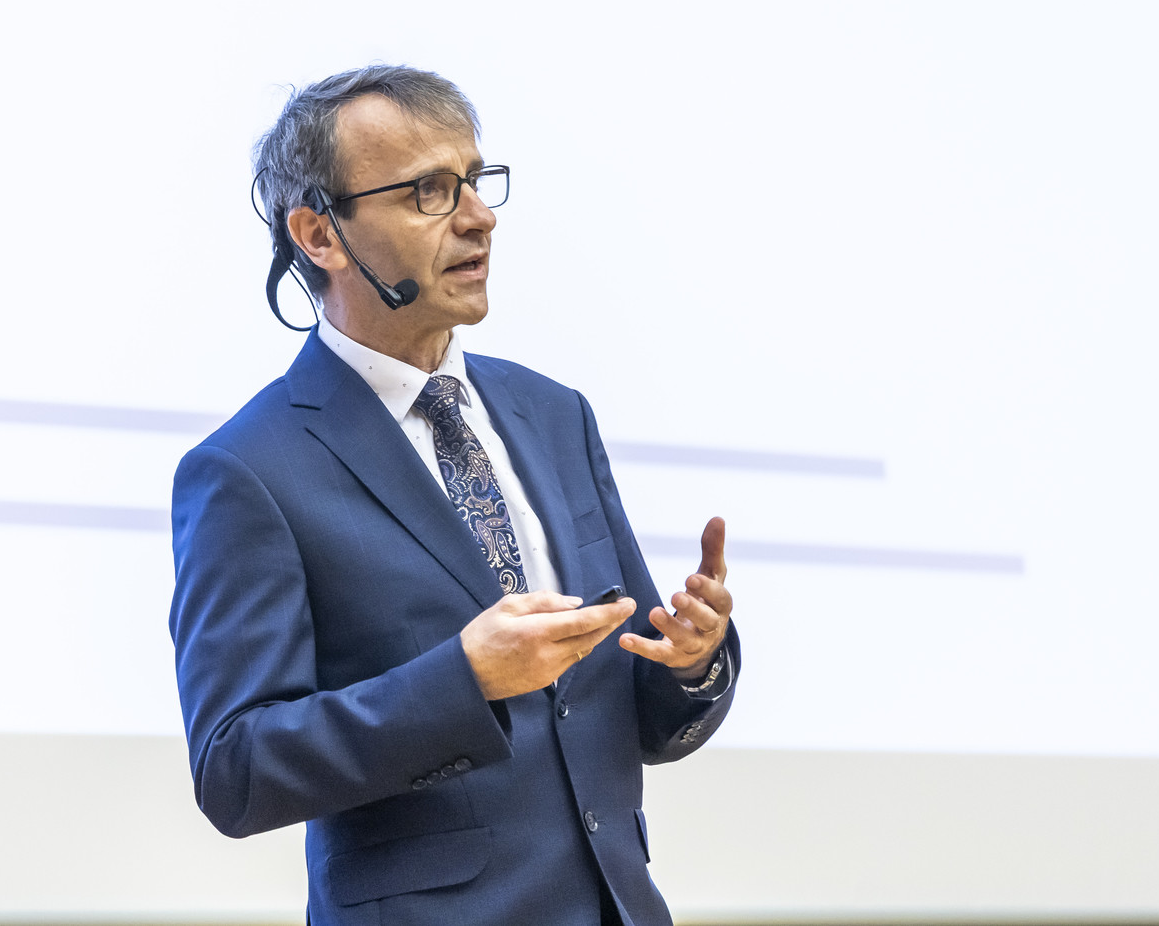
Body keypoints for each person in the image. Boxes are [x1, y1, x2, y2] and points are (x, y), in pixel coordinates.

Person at [170, 65, 739, 926]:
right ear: (320, 234)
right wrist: (462, 681)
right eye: (429, 192)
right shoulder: (248, 470)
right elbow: (235, 771)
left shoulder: (555, 414)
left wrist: (690, 660)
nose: (479, 217)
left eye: (475, 181)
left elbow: (629, 707)